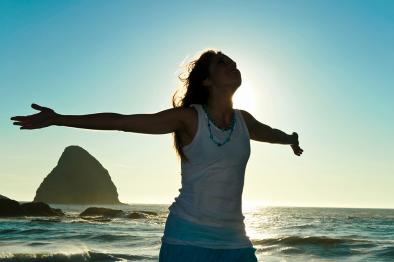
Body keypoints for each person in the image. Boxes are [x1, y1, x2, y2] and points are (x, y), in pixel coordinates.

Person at [10, 48, 303, 261]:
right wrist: (59, 118)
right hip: (187, 238)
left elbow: (270, 133)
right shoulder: (189, 118)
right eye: (223, 63)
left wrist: (290, 139)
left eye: (235, 63)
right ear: (206, 81)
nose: (233, 66)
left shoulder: (244, 121)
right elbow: (121, 122)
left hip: (236, 240)